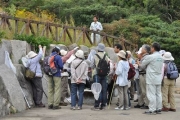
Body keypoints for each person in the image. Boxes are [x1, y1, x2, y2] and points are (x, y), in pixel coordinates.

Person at [137, 42, 164, 115]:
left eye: (152, 47)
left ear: (153, 48)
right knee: (158, 93)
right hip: (158, 77)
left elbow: (142, 66)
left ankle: (152, 109)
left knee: (151, 94)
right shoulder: (161, 57)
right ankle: (158, 108)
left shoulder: (151, 57)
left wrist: (139, 64)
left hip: (151, 77)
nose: (151, 49)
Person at [91, 43, 109, 110]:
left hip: (96, 74)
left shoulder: (95, 56)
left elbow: (92, 65)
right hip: (104, 75)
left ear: (98, 48)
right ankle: (103, 105)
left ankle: (97, 105)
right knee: (104, 90)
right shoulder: (106, 56)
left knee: (97, 89)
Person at [135, 45, 150, 109]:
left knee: (144, 90)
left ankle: (147, 104)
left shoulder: (146, 57)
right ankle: (141, 103)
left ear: (145, 50)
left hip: (144, 74)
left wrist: (138, 63)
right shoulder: (144, 57)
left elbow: (142, 67)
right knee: (141, 90)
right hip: (142, 74)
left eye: (143, 49)